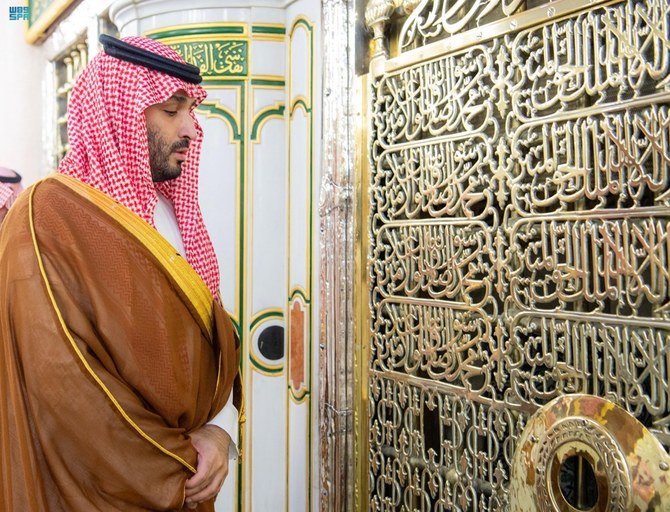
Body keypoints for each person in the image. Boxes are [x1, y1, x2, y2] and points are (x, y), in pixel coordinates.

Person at [0, 35, 242, 512]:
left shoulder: (173, 213)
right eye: (172, 110)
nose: (191, 129)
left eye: (191, 111)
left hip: (189, 482)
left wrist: (220, 434)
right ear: (120, 113)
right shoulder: (46, 217)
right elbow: (65, 386)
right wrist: (176, 461)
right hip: (90, 490)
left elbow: (212, 345)